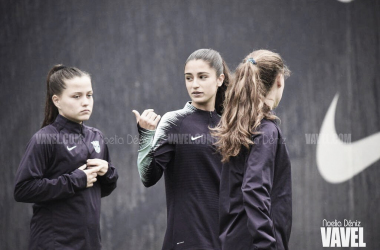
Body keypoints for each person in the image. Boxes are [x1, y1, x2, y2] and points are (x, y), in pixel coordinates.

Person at [132, 49, 230, 250]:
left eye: (202, 77)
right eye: (189, 78)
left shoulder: (230, 125)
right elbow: (148, 176)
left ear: (219, 80)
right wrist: (145, 135)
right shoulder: (174, 121)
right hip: (187, 240)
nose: (194, 84)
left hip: (225, 239)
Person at [14, 65, 118, 250]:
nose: (85, 102)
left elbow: (99, 191)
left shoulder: (97, 137)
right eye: (76, 96)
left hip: (91, 243)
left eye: (89, 95)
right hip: (55, 243)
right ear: (57, 100)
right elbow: (23, 189)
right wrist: (74, 180)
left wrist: (108, 173)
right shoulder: (45, 138)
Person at [212, 50, 292, 250]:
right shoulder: (266, 131)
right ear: (279, 80)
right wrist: (268, 245)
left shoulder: (240, 128)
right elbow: (254, 188)